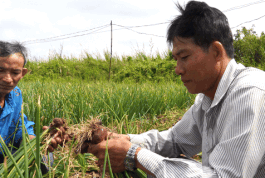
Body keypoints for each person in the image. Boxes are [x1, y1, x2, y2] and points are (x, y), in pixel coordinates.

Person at [87, 1, 265, 177]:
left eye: (185, 57)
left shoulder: (250, 93)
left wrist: (134, 155)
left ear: (216, 51)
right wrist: (125, 140)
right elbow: (175, 141)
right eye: (176, 59)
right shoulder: (206, 100)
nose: (178, 69)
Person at [0, 41, 60, 174]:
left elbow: (20, 127)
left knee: (45, 157)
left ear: (23, 73)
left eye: (15, 72)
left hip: (2, 158)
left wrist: (38, 142)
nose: (8, 79)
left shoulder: (15, 94)